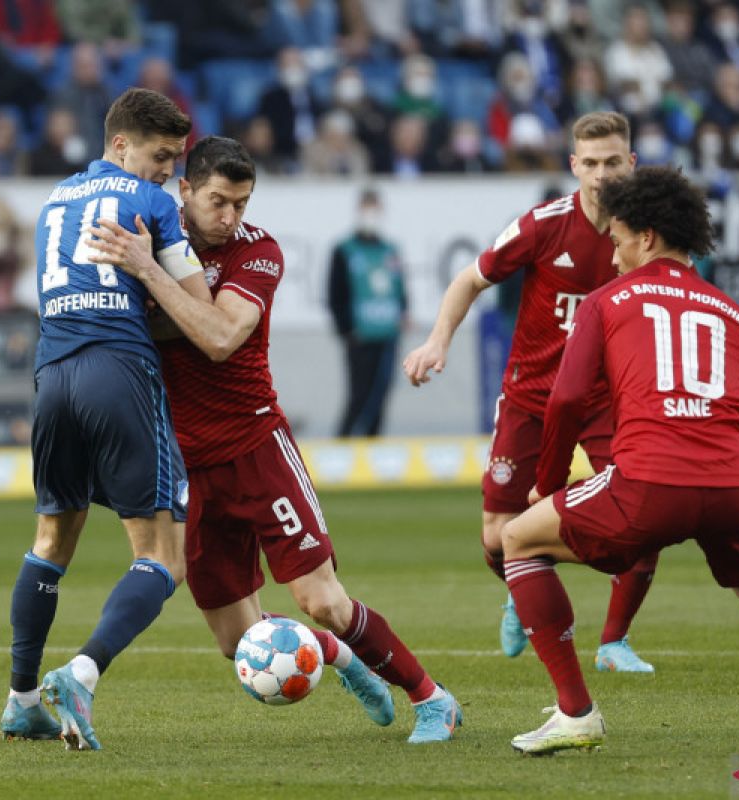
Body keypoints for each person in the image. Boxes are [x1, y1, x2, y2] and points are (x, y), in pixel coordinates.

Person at [87, 136, 462, 745]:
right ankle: (347, 662)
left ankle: (433, 699)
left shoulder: (256, 251)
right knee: (240, 643)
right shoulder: (150, 238)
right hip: (188, 464)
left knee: (324, 603)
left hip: (256, 443)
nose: (230, 216)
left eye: (241, 202)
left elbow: (220, 336)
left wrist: (147, 272)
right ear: (184, 190)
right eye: (218, 201)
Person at [499, 166, 739, 757]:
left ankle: (575, 712)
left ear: (646, 237)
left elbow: (565, 399)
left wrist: (547, 485)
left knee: (517, 539)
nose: (613, 255)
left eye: (617, 240)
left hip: (648, 483)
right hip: (732, 487)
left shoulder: (606, 300)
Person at [403, 112, 658, 672]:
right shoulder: (542, 226)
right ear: (573, 166)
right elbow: (469, 279)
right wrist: (436, 342)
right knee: (496, 537)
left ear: (631, 163)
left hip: (607, 401)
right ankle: (523, 584)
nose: (600, 175)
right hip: (531, 397)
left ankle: (614, 641)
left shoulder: (647, 233)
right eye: (589, 163)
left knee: (645, 515)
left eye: (612, 162)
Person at [0, 88, 207, 750]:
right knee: (162, 557)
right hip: (118, 369)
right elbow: (197, 305)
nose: (168, 174)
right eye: (161, 157)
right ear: (120, 146)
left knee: (51, 542)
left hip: (52, 375)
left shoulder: (54, 201)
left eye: (175, 162)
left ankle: (20, 699)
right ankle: (82, 675)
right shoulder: (149, 205)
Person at [327, 188, 408, 437]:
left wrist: (403, 313)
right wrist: (347, 330)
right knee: (359, 394)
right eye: (367, 208)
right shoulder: (344, 250)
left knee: (381, 395)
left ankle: (373, 450)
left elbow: (399, 288)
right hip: (360, 336)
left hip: (387, 335)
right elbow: (335, 293)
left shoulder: (389, 250)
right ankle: (343, 445)